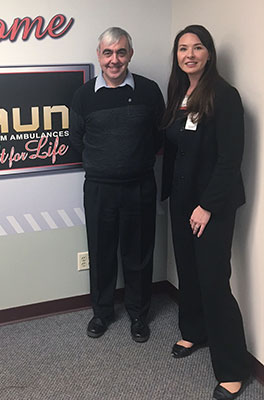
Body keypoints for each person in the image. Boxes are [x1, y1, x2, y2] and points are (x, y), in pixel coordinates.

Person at [161, 25, 251, 399]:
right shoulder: (179, 93)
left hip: (212, 205)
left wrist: (207, 206)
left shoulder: (224, 95)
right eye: (183, 48)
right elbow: (175, 145)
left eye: (197, 47)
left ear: (209, 53)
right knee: (188, 271)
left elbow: (230, 159)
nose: (190, 54)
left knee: (214, 282)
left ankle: (233, 369)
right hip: (182, 201)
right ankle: (194, 332)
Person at [70, 27, 164, 342]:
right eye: (108, 53)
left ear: (130, 55)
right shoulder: (84, 96)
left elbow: (159, 136)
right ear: (99, 55)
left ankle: (138, 315)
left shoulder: (149, 91)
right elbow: (76, 139)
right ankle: (102, 312)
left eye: (121, 52)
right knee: (101, 253)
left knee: (139, 254)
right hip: (99, 188)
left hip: (140, 186)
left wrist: (133, 161)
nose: (114, 60)